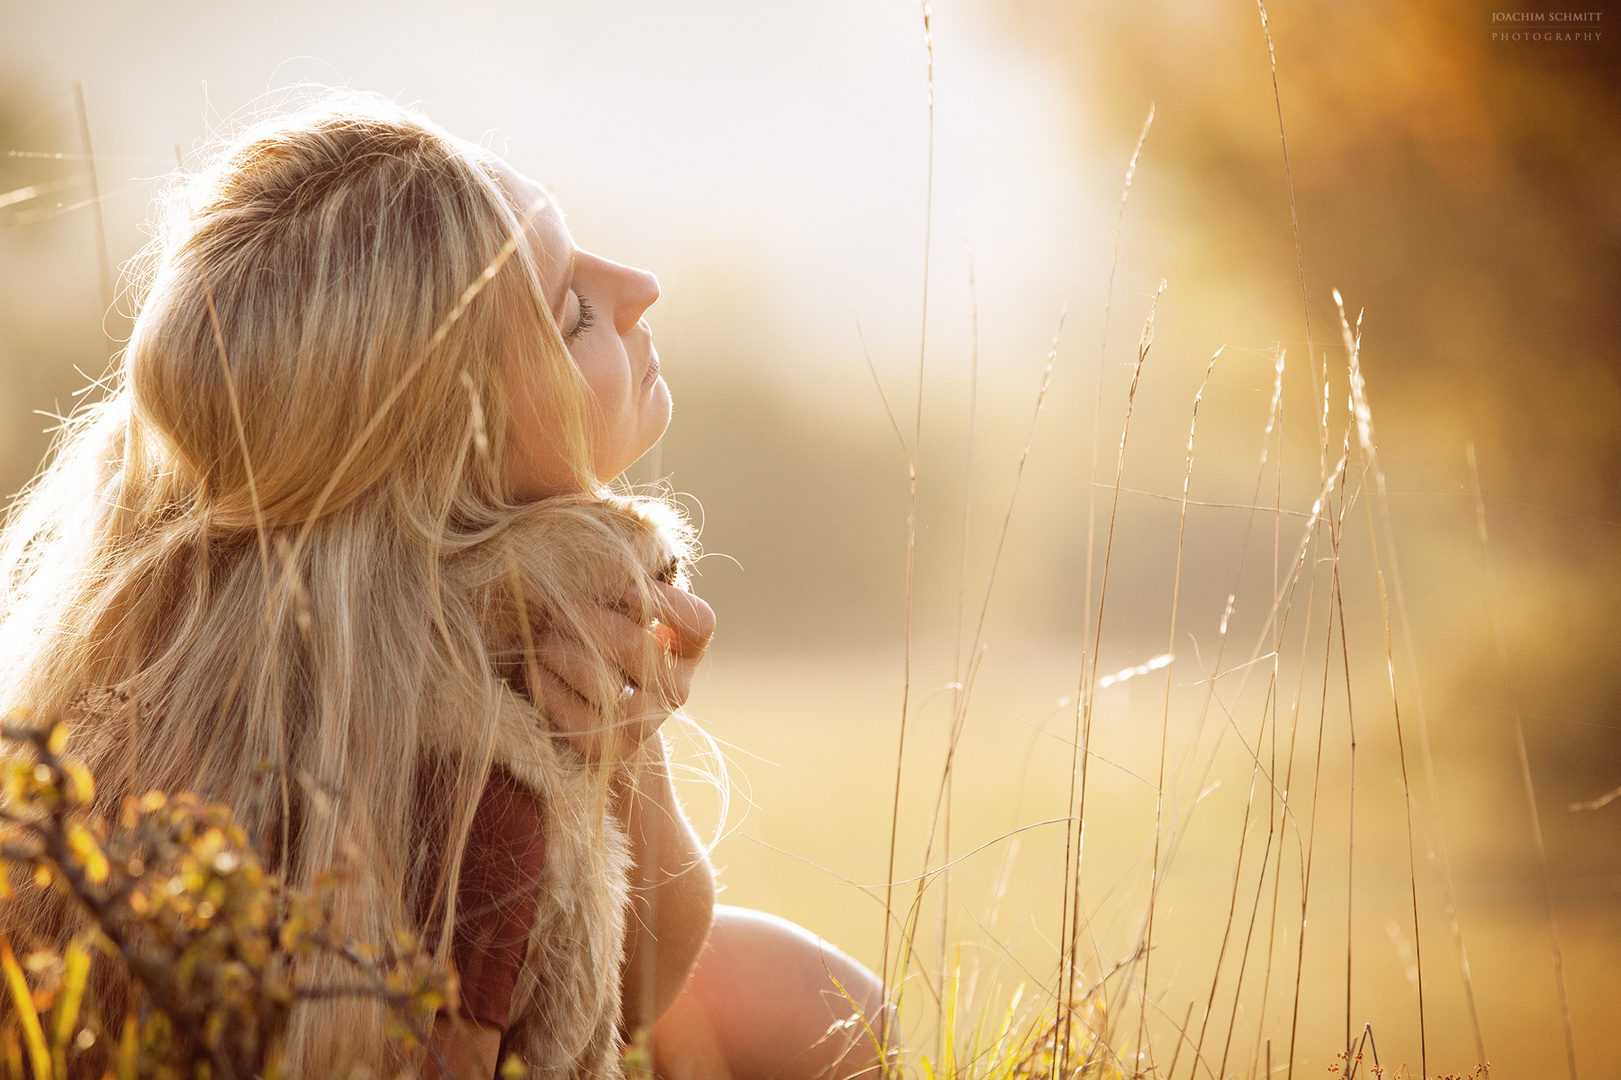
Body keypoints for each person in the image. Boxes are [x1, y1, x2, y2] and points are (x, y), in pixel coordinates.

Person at [0, 93, 887, 1079]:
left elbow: (635, 986)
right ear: (446, 448)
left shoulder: (342, 613)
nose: (639, 285)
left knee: (811, 997)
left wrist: (620, 753)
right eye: (573, 313)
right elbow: (608, 1010)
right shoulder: (452, 784)